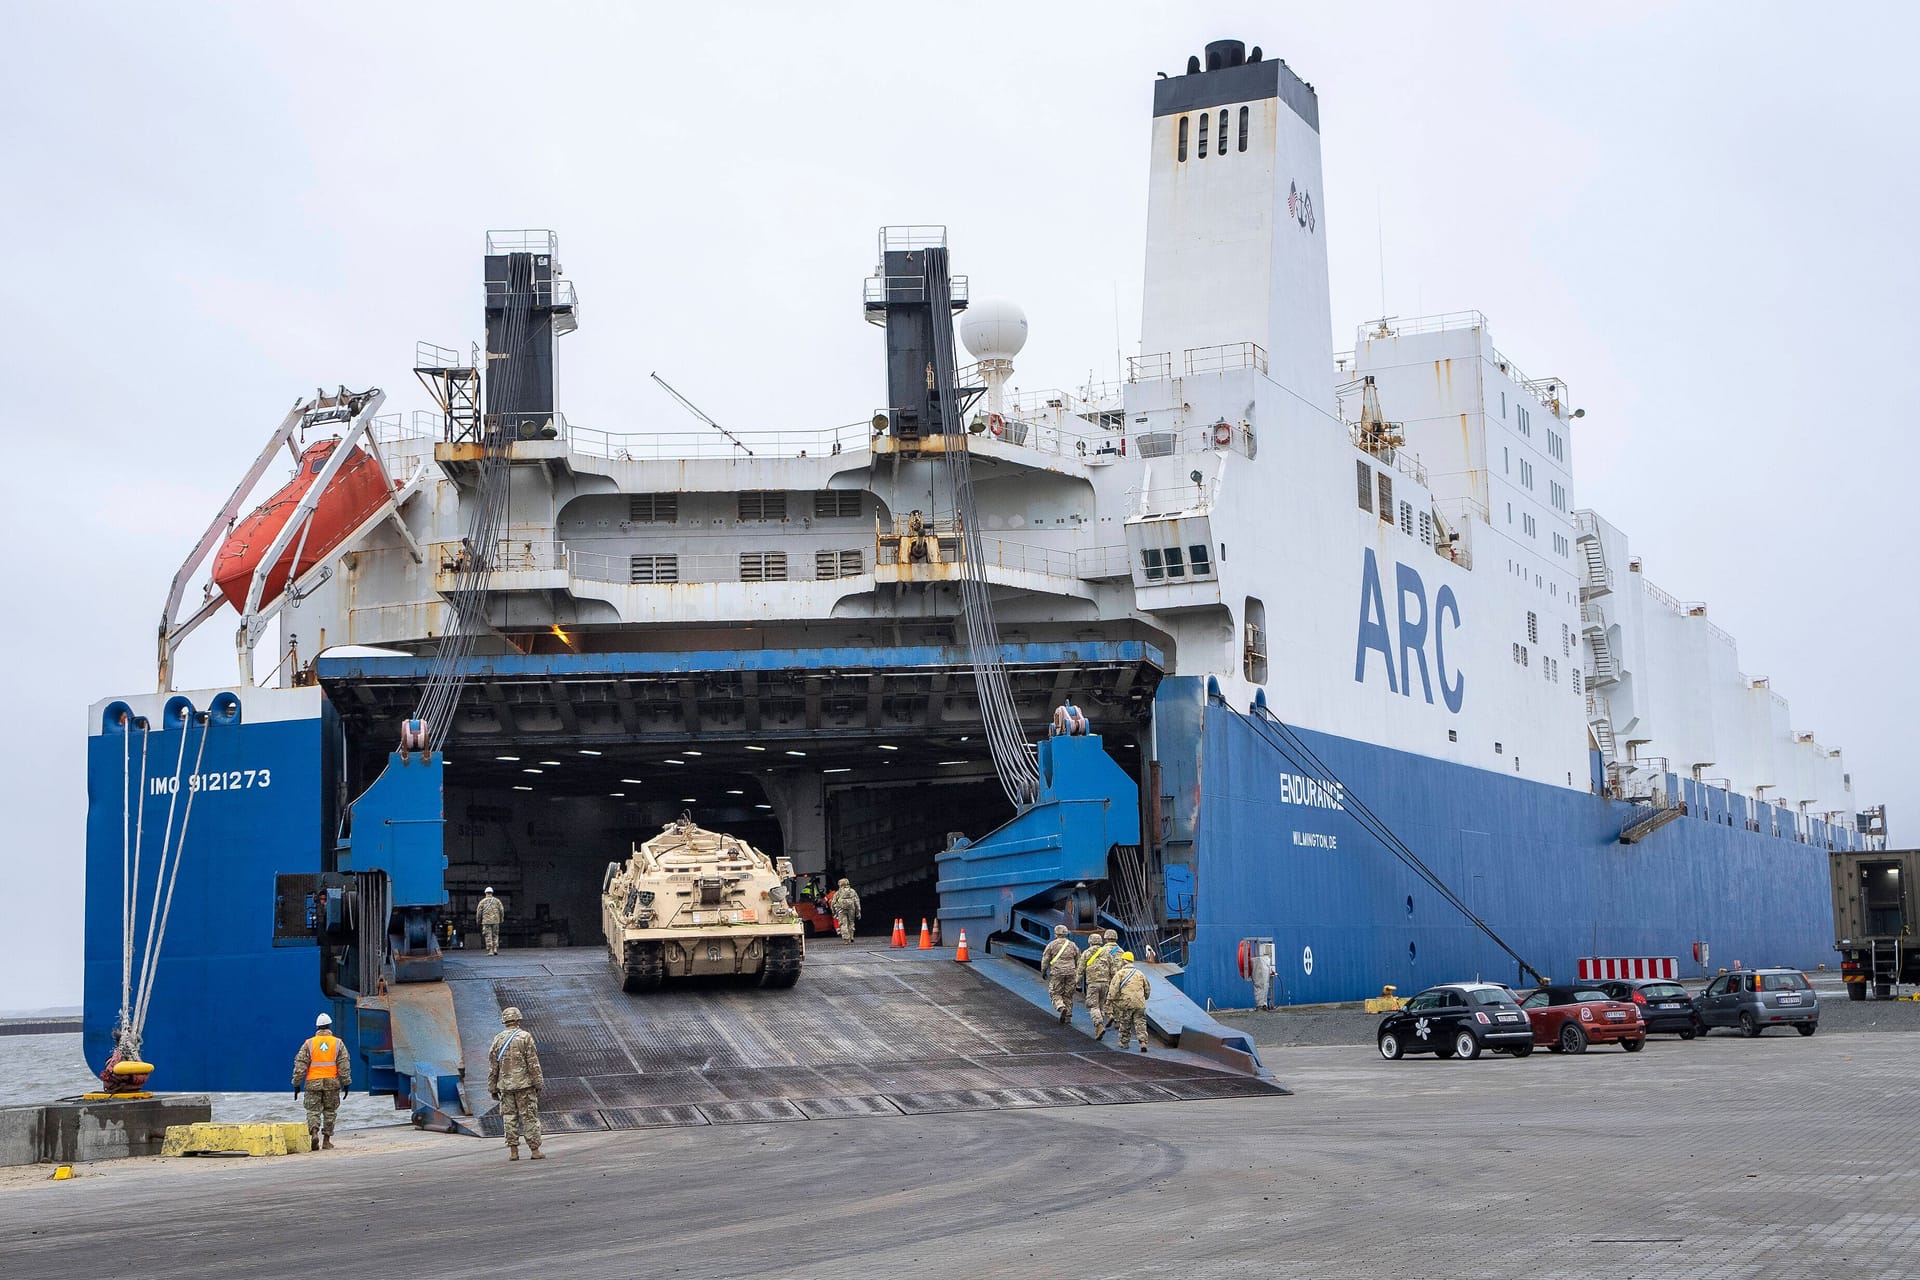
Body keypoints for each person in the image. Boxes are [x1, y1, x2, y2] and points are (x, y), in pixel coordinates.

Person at [488, 1006, 545, 1162]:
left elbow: (493, 1065)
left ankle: (514, 1151)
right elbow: (533, 1062)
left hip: (505, 1086)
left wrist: (492, 1086)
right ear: (518, 1019)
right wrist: (538, 1082)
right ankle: (534, 1150)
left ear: (504, 1020)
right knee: (529, 1117)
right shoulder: (525, 1037)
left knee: (509, 1117)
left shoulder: (498, 1039)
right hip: (524, 1085)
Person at [291, 1012, 350, 1150]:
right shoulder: (338, 1043)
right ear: (329, 1025)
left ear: (317, 1027)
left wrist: (296, 1084)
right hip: (332, 1082)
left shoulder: (309, 1043)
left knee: (313, 1111)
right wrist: (346, 1083)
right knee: (330, 1111)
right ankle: (326, 1141)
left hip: (313, 1082)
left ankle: (314, 1133)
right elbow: (344, 1065)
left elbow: (300, 1065)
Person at [1106, 951, 1152, 1052]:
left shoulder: (1120, 974)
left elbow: (1113, 989)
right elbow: (1147, 989)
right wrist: (1145, 998)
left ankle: (1124, 1042)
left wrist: (1109, 1001)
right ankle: (1143, 1042)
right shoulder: (1140, 974)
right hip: (1140, 1003)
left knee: (1125, 1022)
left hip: (1126, 1003)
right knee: (1140, 1022)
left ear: (1123, 961)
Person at [1083, 930, 1121, 1039]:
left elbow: (1080, 968)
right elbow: (1114, 968)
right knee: (1105, 1003)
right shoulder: (1120, 951)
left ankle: (1100, 1024)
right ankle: (1114, 1019)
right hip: (1109, 982)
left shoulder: (1093, 952)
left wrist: (1077, 982)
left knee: (1093, 1005)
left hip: (1094, 982)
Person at [1039, 925, 1081, 1023]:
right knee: (1068, 994)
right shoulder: (1073, 945)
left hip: (1057, 972)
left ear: (1056, 934)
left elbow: (1045, 960)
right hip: (1071, 972)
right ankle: (1068, 1016)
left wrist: (1043, 971)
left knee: (1055, 992)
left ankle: (1061, 1007)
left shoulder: (1052, 945)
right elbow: (1079, 959)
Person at [830, 877, 861, 943]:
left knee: (843, 924)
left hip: (841, 910)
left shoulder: (838, 892)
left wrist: (834, 912)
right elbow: (857, 901)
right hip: (851, 909)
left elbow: (833, 902)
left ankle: (846, 939)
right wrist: (858, 912)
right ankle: (851, 936)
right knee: (851, 922)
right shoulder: (852, 891)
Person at [477, 887, 505, 956]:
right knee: (495, 935)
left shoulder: (482, 902)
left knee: (488, 935)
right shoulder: (497, 901)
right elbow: (501, 910)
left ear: (485, 893)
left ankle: (490, 950)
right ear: (492, 893)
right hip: (496, 921)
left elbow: (479, 913)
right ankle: (495, 948)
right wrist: (501, 919)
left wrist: (478, 921)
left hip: (486, 921)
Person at [1251, 943, 1275, 1011]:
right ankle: (1261, 1004)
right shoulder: (1259, 961)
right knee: (1261, 986)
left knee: (1264, 986)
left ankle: (1262, 1004)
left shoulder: (1261, 960)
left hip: (1264, 967)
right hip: (1263, 967)